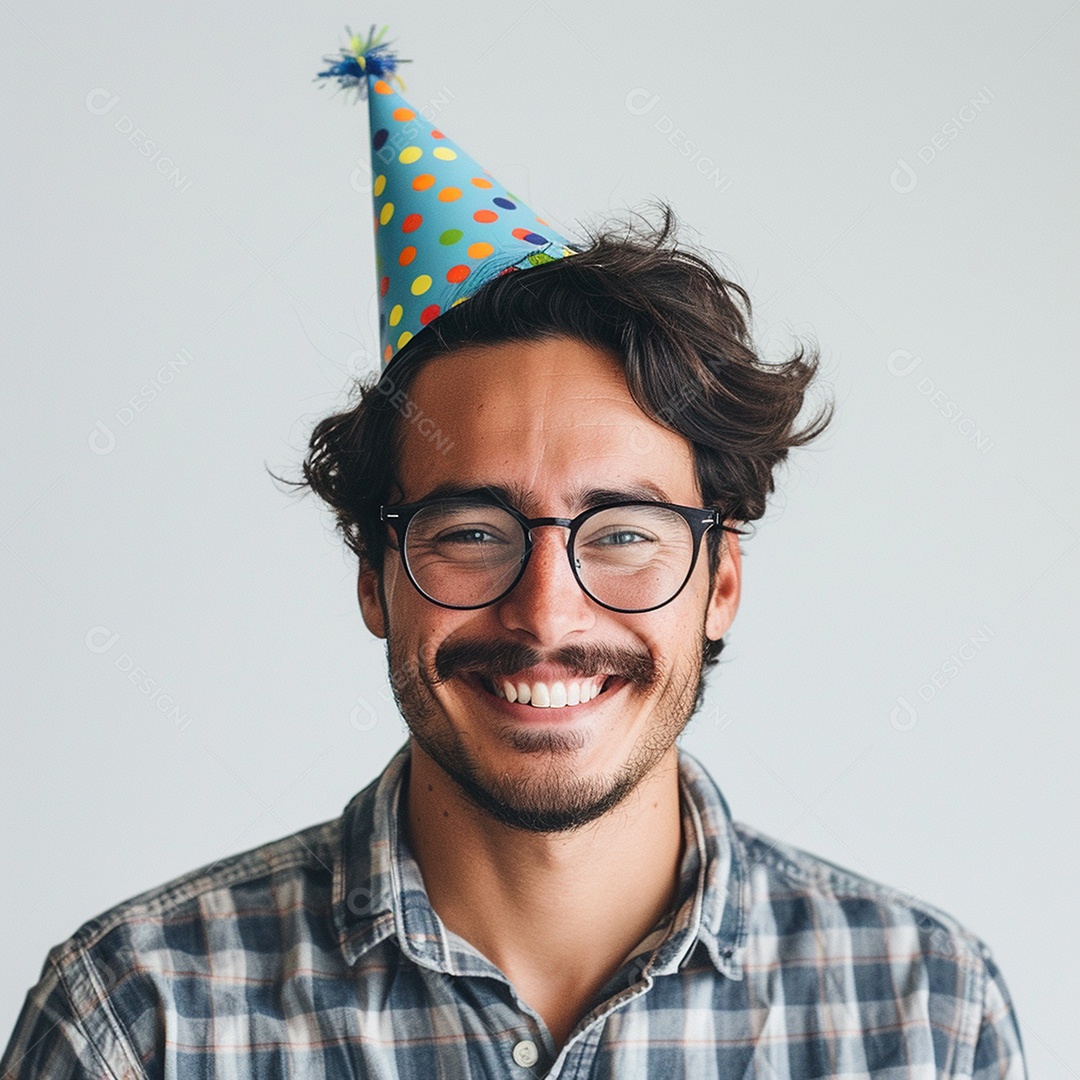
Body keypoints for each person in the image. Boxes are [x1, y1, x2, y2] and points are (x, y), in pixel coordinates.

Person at [1, 29, 1027, 1080]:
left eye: (623, 534)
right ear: (373, 578)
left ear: (721, 582)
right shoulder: (140, 1019)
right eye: (471, 534)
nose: (546, 615)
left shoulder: (925, 1017)